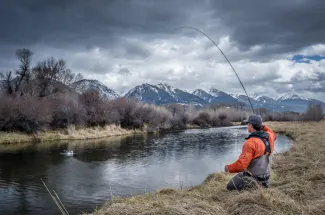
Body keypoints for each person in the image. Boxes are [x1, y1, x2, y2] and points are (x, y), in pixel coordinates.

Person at [225, 114, 276, 191]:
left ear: (251, 125)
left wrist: (228, 168)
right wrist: (262, 127)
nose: (247, 126)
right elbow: (271, 132)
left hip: (255, 179)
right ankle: (262, 186)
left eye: (248, 124)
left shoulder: (250, 143)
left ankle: (253, 188)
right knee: (241, 175)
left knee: (230, 186)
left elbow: (241, 165)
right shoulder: (270, 137)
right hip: (266, 178)